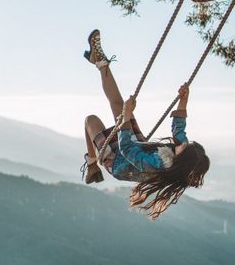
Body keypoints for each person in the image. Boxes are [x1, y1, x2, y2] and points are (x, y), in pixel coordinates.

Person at [81, 29, 210, 219]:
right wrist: (184, 100)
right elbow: (179, 129)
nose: (183, 143)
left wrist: (127, 117)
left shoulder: (157, 165)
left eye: (186, 147)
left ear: (184, 160)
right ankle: (99, 61)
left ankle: (93, 164)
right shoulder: (180, 150)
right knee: (118, 103)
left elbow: (126, 149)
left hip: (118, 161)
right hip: (139, 146)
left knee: (90, 121)